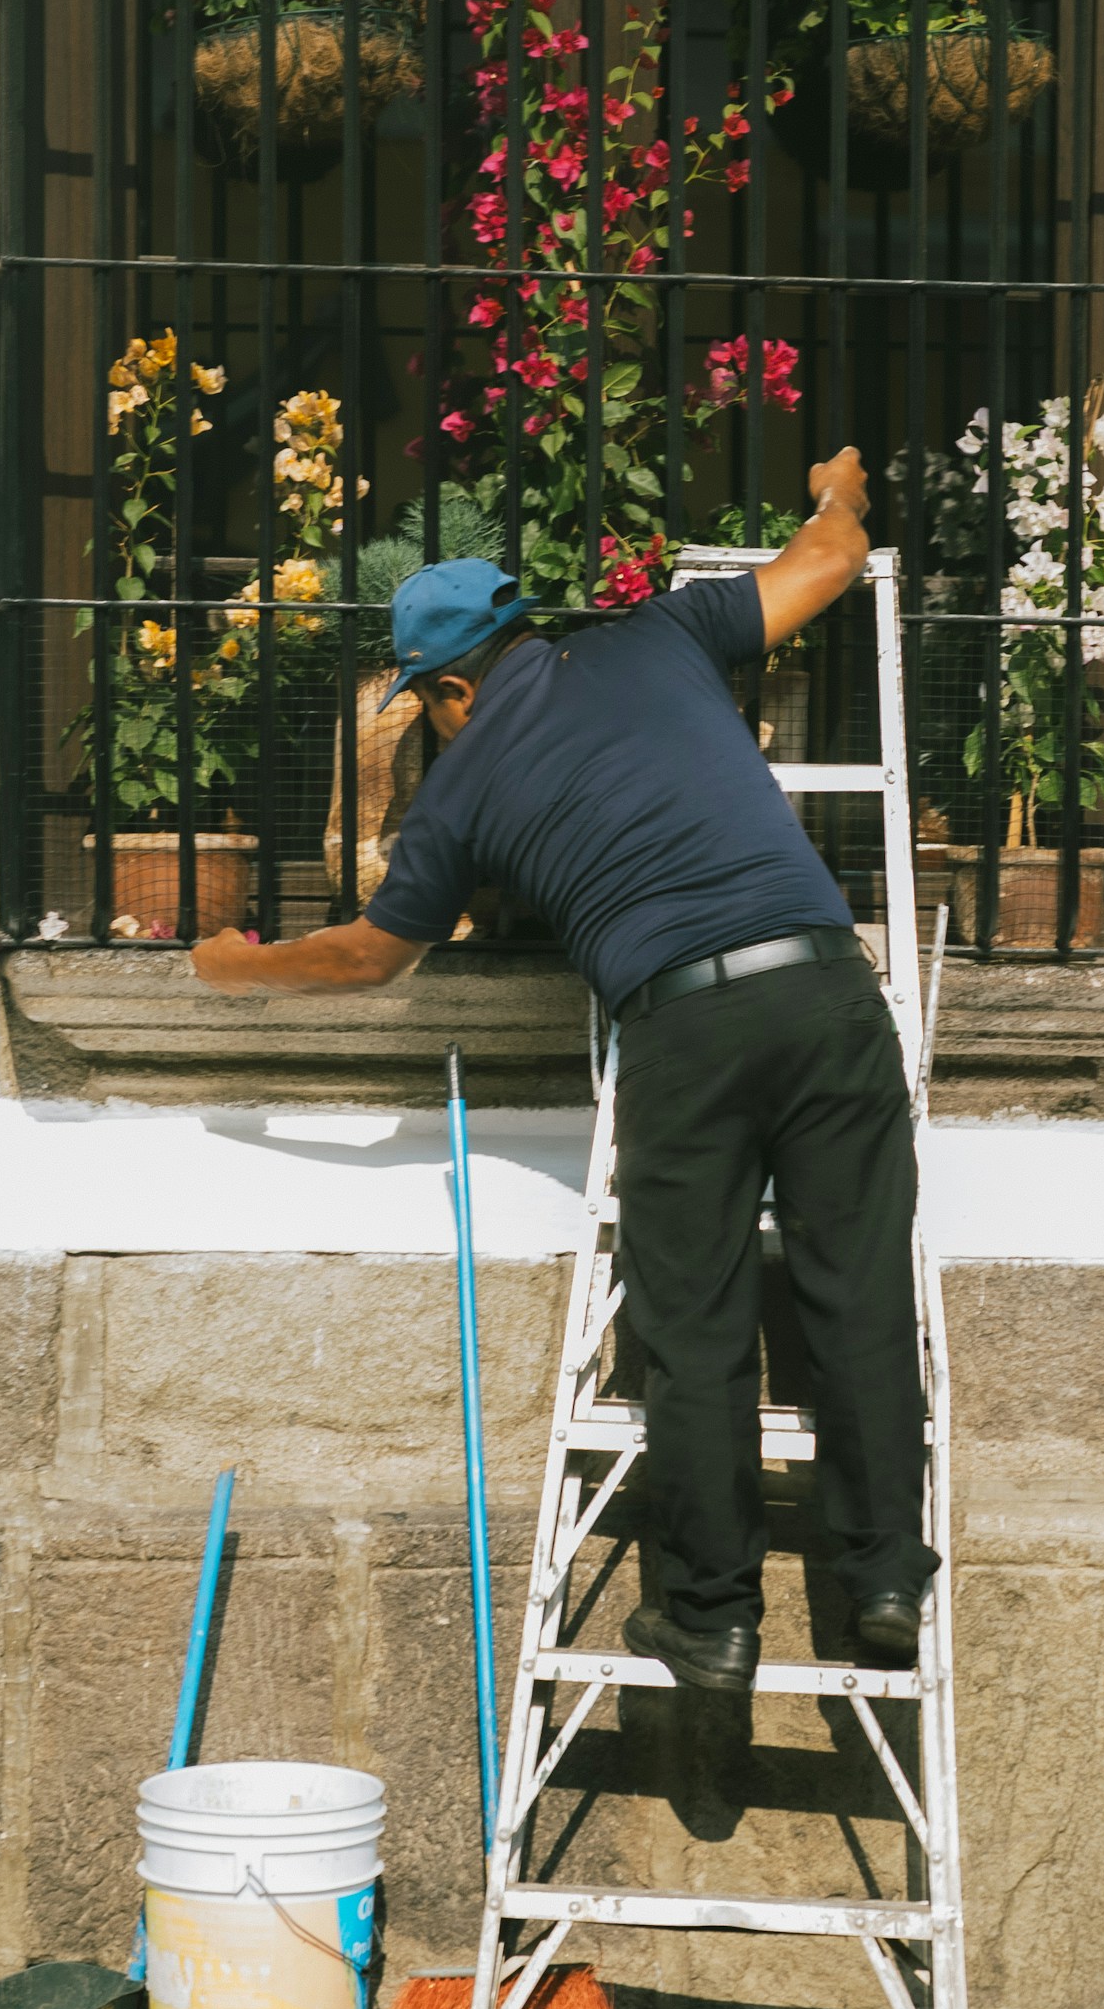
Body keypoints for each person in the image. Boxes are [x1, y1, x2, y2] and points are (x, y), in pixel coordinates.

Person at [193, 445, 934, 1695]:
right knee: (855, 1289)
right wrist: (839, 485)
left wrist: (234, 965)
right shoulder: (665, 634)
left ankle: (709, 1615)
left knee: (695, 1326)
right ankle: (884, 1579)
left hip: (685, 1030)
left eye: (422, 702)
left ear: (448, 693)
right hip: (823, 988)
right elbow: (828, 559)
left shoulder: (464, 785)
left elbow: (375, 957)